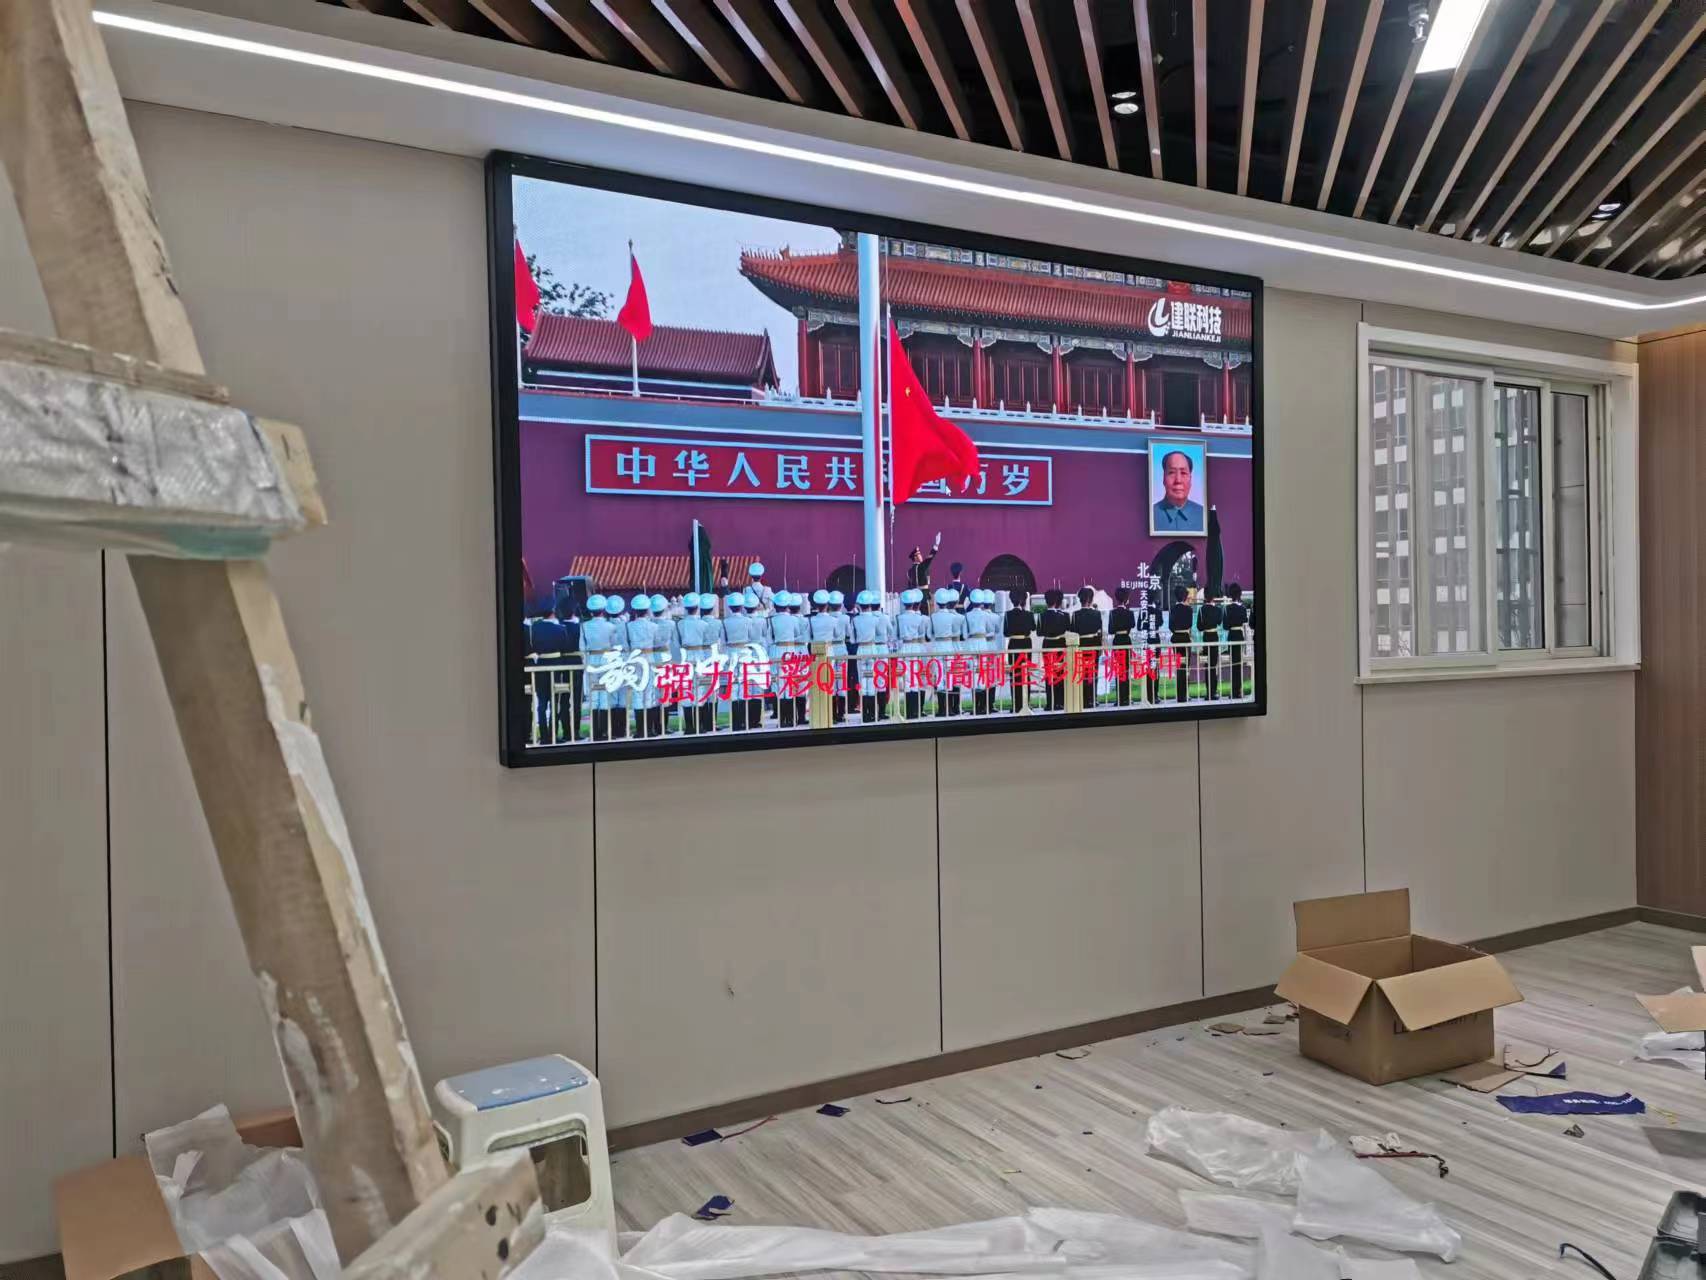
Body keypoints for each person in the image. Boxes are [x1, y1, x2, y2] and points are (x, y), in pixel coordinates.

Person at [525, 602, 571, 744]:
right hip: (556, 665)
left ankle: (544, 736)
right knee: (554, 702)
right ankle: (553, 735)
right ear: (552, 613)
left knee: (542, 703)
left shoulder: (533, 628)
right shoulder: (560, 629)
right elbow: (565, 647)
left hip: (540, 665)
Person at [582, 595, 626, 741]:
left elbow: (582, 647)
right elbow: (615, 646)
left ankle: (595, 733)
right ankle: (607, 731)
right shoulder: (610, 627)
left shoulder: (584, 626)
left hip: (592, 661)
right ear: (603, 610)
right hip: (607, 662)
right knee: (607, 696)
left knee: (594, 697)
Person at [850, 589, 891, 723]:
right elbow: (880, 633)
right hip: (873, 649)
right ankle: (873, 714)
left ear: (859, 605)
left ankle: (866, 715)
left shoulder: (855, 620)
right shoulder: (876, 619)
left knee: (863, 681)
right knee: (873, 681)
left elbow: (852, 639)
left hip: (861, 649)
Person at [721, 592, 759, 731]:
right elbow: (752, 638)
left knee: (733, 687)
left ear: (730, 607)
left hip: (730, 653)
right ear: (742, 606)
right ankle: (744, 721)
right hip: (744, 653)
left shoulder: (725, 622)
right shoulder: (748, 621)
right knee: (744, 687)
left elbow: (723, 641)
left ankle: (735, 722)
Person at [676, 593, 711, 736]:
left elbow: (678, 641)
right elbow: (706, 642)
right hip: (699, 657)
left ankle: (689, 726)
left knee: (685, 691)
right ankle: (699, 725)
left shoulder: (680, 624)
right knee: (700, 691)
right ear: (697, 608)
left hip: (685, 658)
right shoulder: (704, 624)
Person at [930, 587, 966, 717]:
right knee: (950, 677)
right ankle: (951, 708)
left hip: (938, 647)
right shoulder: (955, 617)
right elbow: (960, 634)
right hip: (950, 647)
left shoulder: (933, 616)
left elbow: (930, 634)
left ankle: (942, 709)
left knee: (939, 678)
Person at [896, 588, 930, 719]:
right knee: (915, 679)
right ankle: (915, 711)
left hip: (904, 647)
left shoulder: (899, 618)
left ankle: (909, 711)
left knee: (907, 680)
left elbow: (896, 635)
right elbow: (922, 634)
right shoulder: (919, 618)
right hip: (916, 647)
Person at [1153, 449, 1205, 533]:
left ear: (1190, 479)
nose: (1178, 480)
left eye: (1183, 473)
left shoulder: (1205, 516)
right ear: (1163, 478)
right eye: (1172, 472)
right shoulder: (1151, 515)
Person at [1070, 585, 1103, 711]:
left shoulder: (1075, 615)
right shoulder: (1096, 613)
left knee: (1082, 673)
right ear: (1091, 599)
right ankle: (1092, 699)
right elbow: (1100, 632)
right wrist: (1100, 647)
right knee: (1093, 673)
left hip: (1081, 646)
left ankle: (1083, 699)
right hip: (1093, 645)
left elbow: (1073, 631)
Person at [1037, 588, 1070, 711]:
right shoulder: (1063, 615)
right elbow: (1068, 628)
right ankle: (1060, 702)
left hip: (1047, 644)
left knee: (1049, 673)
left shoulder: (1041, 616)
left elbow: (1039, 632)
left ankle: (1050, 703)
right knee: (1060, 673)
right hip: (1060, 644)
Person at [1003, 587, 1034, 714]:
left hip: (1013, 644)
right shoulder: (1028, 614)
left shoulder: (1007, 615)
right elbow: (1033, 627)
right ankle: (1026, 703)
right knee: (1026, 673)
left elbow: (1005, 633)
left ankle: (1015, 704)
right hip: (1026, 643)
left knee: (1014, 674)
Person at [1108, 587, 1137, 707]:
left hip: (1117, 641)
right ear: (1126, 599)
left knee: (1119, 670)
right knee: (1126, 669)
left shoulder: (1112, 613)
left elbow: (1110, 630)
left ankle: (1119, 699)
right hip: (1126, 640)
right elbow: (1132, 625)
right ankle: (1127, 698)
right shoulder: (1129, 613)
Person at [1168, 585, 1195, 704]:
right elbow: (1189, 624)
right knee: (1186, 668)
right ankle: (1185, 694)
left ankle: (1180, 695)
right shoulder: (1188, 609)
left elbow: (1170, 626)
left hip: (1176, 639)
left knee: (1179, 667)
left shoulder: (1173, 609)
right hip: (1185, 639)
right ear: (1184, 597)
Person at [1223, 582, 1249, 700]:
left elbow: (1225, 626)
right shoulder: (1242, 608)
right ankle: (1238, 690)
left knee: (1233, 664)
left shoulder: (1227, 608)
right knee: (1238, 664)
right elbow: (1245, 620)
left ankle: (1234, 691)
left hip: (1232, 636)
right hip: (1239, 636)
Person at [1197, 588, 1224, 702]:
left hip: (1206, 638)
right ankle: (1214, 692)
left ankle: (1209, 692)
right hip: (1214, 637)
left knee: (1207, 666)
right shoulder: (1217, 610)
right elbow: (1219, 622)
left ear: (1205, 597)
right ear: (1213, 597)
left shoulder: (1201, 610)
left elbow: (1199, 627)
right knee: (1213, 665)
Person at [828, 590, 850, 722]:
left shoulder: (827, 617)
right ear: (841, 605)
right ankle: (841, 713)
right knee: (841, 682)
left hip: (830, 648)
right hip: (841, 648)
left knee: (831, 682)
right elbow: (848, 634)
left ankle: (832, 714)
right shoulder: (845, 618)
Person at [906, 534, 942, 610]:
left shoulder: (909, 571)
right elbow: (929, 558)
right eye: (919, 554)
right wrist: (936, 545)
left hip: (914, 598)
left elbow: (909, 587)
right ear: (915, 557)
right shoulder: (921, 567)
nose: (921, 556)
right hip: (924, 597)